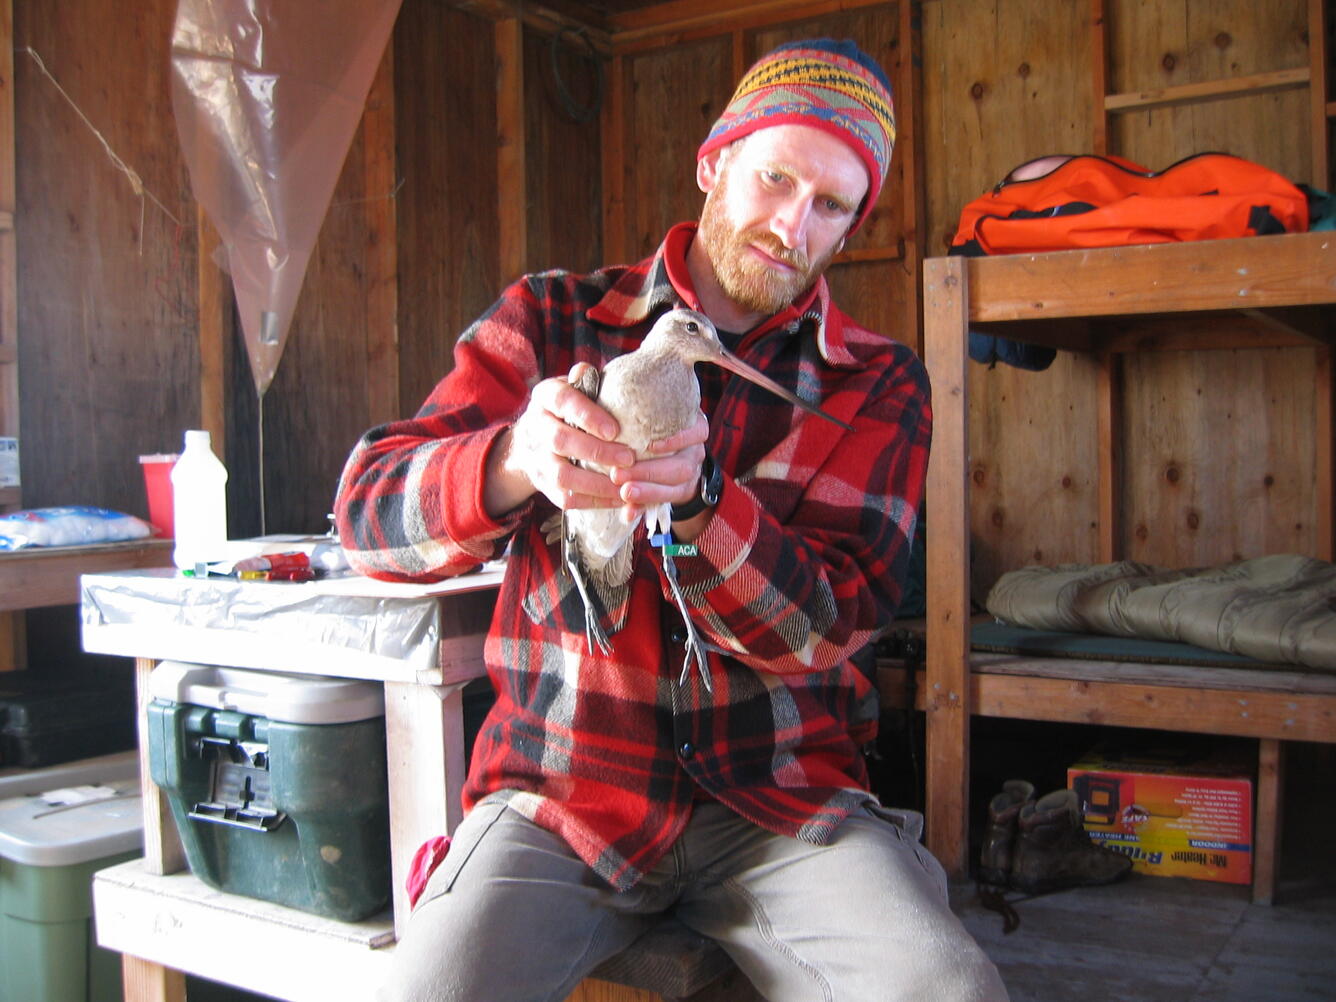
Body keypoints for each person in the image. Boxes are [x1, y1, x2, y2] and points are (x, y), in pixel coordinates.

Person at [336, 37, 1009, 1002]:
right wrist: (513, 462)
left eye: (830, 206)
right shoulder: (550, 318)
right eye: (775, 178)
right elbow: (365, 516)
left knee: (947, 992)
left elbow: (831, 624)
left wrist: (700, 505)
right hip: (562, 793)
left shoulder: (878, 381)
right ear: (712, 164)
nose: (791, 225)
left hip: (781, 801)